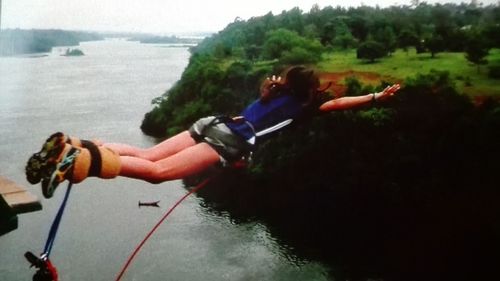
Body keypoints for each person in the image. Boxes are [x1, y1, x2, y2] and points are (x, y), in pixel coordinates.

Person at [25, 66, 400, 198]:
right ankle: (78, 162)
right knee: (156, 174)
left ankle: (74, 145)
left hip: (214, 122)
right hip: (228, 140)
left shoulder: (273, 91)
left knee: (147, 156)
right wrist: (375, 97)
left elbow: (266, 99)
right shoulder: (305, 106)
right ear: (309, 90)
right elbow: (339, 103)